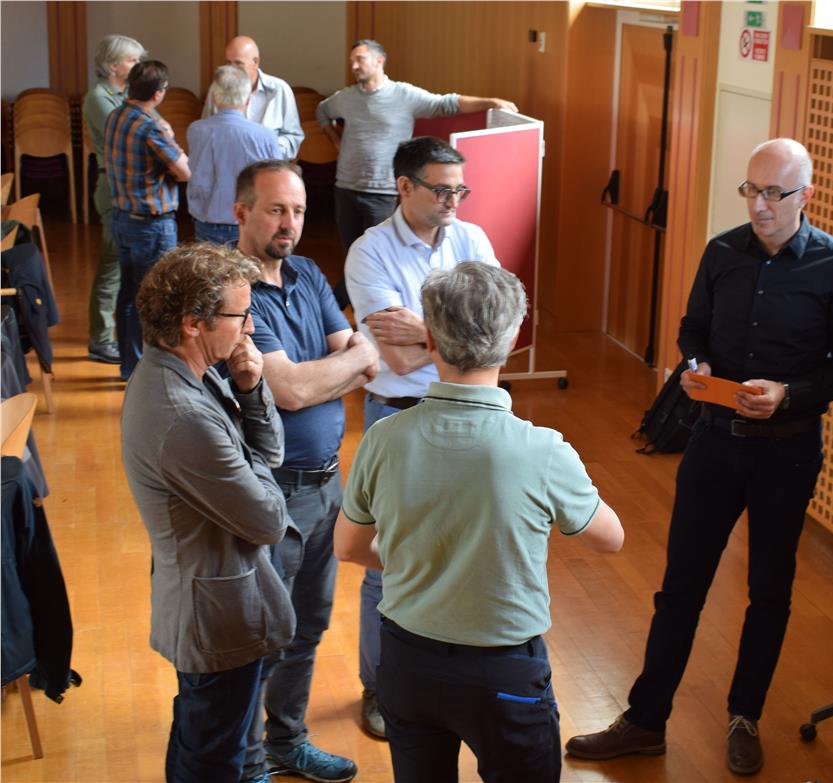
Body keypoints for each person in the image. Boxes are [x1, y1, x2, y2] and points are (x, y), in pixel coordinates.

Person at [564, 138, 833, 776]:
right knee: (681, 587)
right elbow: (692, 329)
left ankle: (744, 716)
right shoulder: (722, 251)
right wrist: (697, 363)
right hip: (714, 442)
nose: (759, 206)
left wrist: (789, 392)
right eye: (751, 190)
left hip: (788, 453)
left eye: (774, 194)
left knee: (769, 591)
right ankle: (645, 721)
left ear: (806, 196)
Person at [334, 262, 625, 783]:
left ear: (429, 339)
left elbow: (349, 547)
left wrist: (421, 557)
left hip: (407, 661)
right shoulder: (542, 449)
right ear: (512, 340)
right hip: (504, 670)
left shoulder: (383, 439)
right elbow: (610, 538)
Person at [121, 243, 296, 783]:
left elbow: (270, 453)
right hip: (216, 615)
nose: (250, 327)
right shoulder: (182, 412)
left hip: (216, 598)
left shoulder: (195, 372)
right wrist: (254, 468)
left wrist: (251, 387)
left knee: (200, 739)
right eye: (240, 315)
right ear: (193, 323)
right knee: (211, 760)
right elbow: (269, 519)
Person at [343, 136, 498, 739]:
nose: (454, 201)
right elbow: (401, 360)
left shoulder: (473, 240)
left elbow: (499, 333)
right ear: (404, 187)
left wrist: (424, 329)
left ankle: (456, 681)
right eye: (441, 190)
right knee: (387, 562)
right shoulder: (370, 252)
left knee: (471, 551)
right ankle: (380, 688)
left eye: (461, 189)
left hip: (473, 412)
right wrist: (460, 335)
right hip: (399, 414)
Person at [235, 159, 378, 783]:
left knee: (309, 625)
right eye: (275, 210)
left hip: (327, 481)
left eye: (296, 210)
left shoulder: (310, 272)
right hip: (273, 492)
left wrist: (330, 370)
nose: (288, 223)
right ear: (241, 212)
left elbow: (363, 360)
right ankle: (246, 763)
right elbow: (289, 390)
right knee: (264, 632)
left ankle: (286, 742)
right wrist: (342, 366)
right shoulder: (232, 292)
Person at [316, 39, 517, 252]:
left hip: (383, 191)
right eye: (352, 61)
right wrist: (336, 141)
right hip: (345, 187)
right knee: (351, 251)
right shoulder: (345, 98)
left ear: (379, 60)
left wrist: (491, 102)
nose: (354, 66)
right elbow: (322, 111)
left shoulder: (404, 95)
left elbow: (445, 103)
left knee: (380, 252)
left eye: (360, 59)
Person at [104, 60, 191, 381]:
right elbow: (185, 171)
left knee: (128, 295)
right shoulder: (152, 127)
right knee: (156, 299)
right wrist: (169, 133)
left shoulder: (115, 116)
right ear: (158, 94)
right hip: (151, 225)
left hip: (122, 219)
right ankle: (151, 373)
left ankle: (130, 367)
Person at [82, 34, 148, 365]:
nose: (138, 65)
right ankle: (100, 338)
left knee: (126, 263)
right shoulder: (98, 97)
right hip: (112, 185)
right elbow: (129, 132)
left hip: (128, 184)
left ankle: (120, 331)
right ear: (112, 66)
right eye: (132, 60)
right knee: (112, 261)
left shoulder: (123, 96)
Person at [188, 67, 282, 245]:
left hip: (207, 221)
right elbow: (277, 183)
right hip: (249, 223)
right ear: (248, 100)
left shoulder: (196, 130)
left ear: (214, 97)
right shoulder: (266, 136)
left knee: (207, 264)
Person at [203, 35, 304, 160]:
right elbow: (206, 131)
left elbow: (293, 138)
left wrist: (264, 150)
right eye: (228, 63)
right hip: (228, 164)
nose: (231, 70)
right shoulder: (217, 88)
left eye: (238, 63)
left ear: (255, 62)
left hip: (269, 164)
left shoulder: (280, 89)